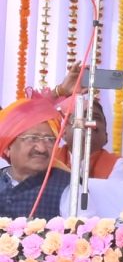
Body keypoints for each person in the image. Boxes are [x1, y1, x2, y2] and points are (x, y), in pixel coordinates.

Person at [0, 91, 71, 219]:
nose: (42, 148)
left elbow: (83, 230)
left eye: (49, 140)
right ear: (8, 148)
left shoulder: (69, 187)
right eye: (32, 138)